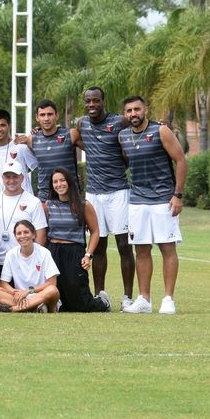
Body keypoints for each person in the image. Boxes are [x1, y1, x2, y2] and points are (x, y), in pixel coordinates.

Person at [118, 95, 187, 315]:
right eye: (129, 111)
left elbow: (181, 160)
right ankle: (144, 299)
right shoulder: (122, 136)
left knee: (167, 247)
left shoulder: (161, 131)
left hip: (163, 200)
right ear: (125, 114)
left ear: (145, 109)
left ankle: (168, 299)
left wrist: (178, 195)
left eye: (137, 109)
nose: (133, 114)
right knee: (141, 249)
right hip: (137, 201)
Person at [75, 86, 135, 308]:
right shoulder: (82, 123)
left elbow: (137, 130)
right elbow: (72, 139)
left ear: (103, 101)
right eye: (88, 101)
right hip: (94, 194)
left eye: (96, 101)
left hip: (118, 192)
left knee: (123, 245)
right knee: (98, 246)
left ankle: (128, 297)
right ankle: (100, 295)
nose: (92, 105)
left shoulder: (119, 121)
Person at [44, 167, 109, 312]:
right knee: (59, 295)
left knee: (80, 305)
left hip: (74, 251)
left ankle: (103, 302)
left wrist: (88, 255)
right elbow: (46, 231)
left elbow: (95, 231)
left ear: (69, 182)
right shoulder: (48, 205)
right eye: (55, 182)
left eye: (62, 180)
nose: (59, 184)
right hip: (53, 251)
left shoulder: (84, 205)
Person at [0, 220, 60, 312]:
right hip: (20, 297)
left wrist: (28, 291)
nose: (22, 236)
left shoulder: (44, 252)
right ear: (15, 236)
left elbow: (52, 283)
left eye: (26, 232)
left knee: (53, 290)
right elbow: (3, 284)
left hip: (40, 295)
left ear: (33, 235)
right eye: (19, 233)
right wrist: (15, 292)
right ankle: (34, 307)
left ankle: (13, 309)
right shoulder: (11, 254)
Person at [0, 162, 48, 265]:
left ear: (22, 178)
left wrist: (33, 259)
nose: (11, 181)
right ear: (2, 178)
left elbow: (41, 235)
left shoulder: (34, 202)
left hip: (24, 262)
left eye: (15, 177)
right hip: (0, 261)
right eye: (7, 177)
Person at [28, 99, 78, 199]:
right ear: (37, 118)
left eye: (50, 114)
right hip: (44, 197)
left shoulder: (71, 134)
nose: (46, 118)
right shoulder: (31, 139)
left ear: (57, 115)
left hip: (70, 196)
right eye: (42, 115)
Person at [0, 109, 37, 197]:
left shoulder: (21, 147)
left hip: (23, 201)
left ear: (9, 126)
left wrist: (33, 142)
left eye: (3, 125)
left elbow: (36, 166)